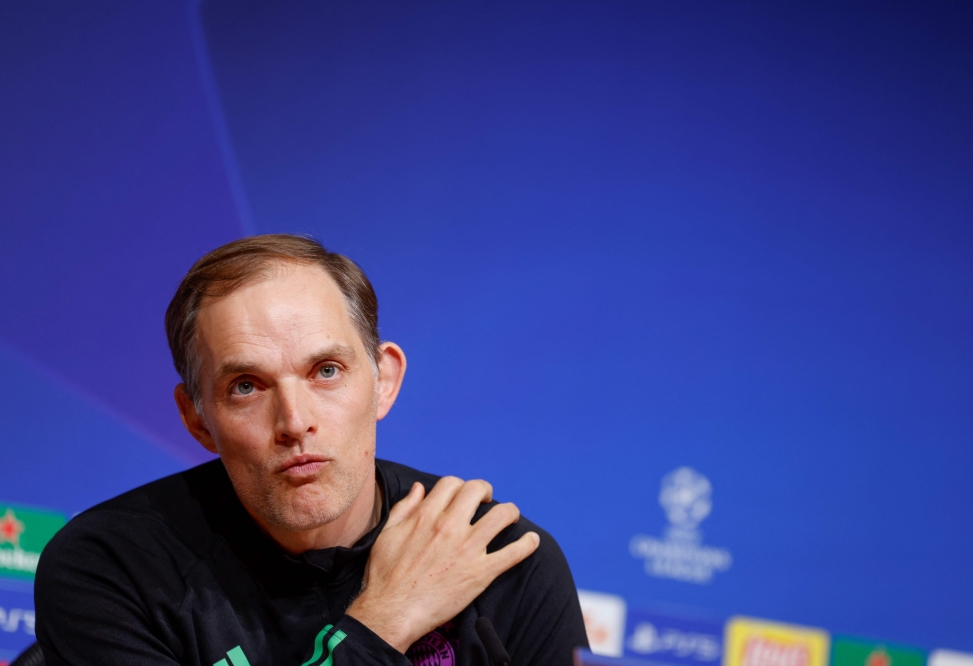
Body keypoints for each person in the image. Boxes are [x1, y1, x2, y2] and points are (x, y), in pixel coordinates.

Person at [34, 235, 588, 666]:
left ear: (383, 381)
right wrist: (382, 623)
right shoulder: (112, 569)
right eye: (247, 386)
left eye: (326, 371)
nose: (295, 422)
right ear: (197, 419)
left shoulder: (498, 558)